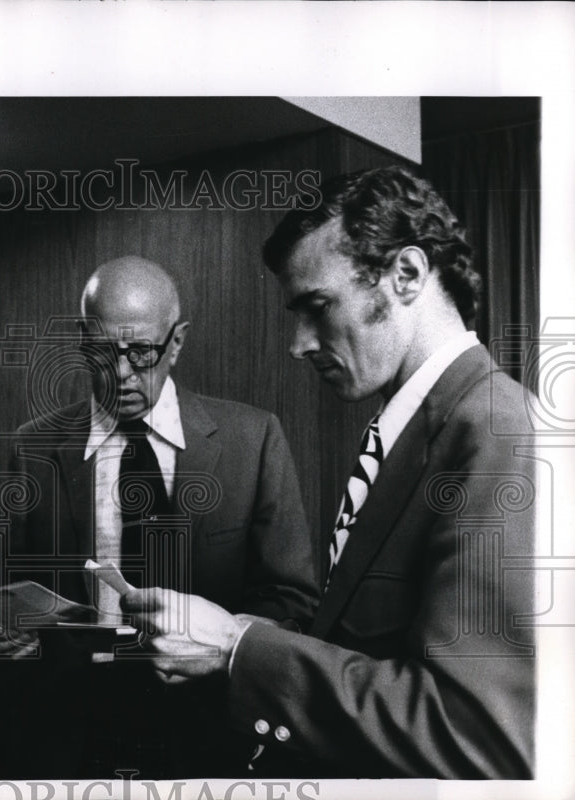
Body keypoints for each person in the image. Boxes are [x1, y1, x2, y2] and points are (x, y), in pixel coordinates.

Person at [123, 166, 536, 778]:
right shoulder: (422, 430)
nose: (299, 344)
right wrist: (245, 631)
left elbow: (477, 737)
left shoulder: (499, 435)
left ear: (407, 274)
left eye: (317, 308)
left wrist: (238, 649)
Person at [0, 256, 319, 778]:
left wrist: (222, 641)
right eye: (103, 352)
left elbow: (293, 599)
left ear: (177, 342)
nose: (121, 374)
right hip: (71, 734)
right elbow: (11, 588)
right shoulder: (33, 448)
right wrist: (6, 626)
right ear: (82, 340)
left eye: (141, 353)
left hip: (210, 734)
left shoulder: (253, 440)